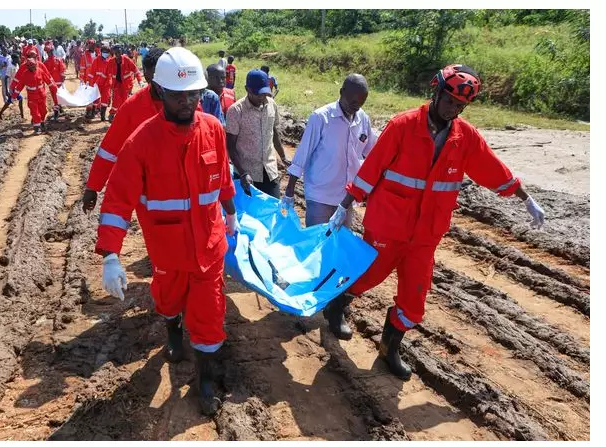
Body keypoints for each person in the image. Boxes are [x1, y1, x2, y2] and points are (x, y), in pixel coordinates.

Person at [322, 64, 547, 381]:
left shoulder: (464, 138)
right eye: (449, 101)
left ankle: (389, 349)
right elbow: (372, 167)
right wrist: (344, 204)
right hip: (389, 225)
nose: (453, 110)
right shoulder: (403, 126)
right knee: (367, 277)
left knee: (414, 300)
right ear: (437, 92)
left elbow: (492, 168)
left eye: (459, 106)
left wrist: (524, 197)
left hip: (426, 234)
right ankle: (336, 305)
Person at [96, 47, 237, 417]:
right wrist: (111, 255)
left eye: (193, 94)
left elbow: (222, 179)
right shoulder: (141, 142)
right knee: (168, 300)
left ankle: (205, 379)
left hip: (209, 245)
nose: (188, 102)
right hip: (168, 250)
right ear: (159, 92)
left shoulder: (213, 131)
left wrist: (232, 214)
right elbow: (117, 200)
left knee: (210, 315)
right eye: (179, 95)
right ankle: (173, 327)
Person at [280, 74, 377, 227]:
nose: (356, 106)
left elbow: (373, 154)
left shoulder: (363, 119)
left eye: (361, 103)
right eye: (353, 101)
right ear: (342, 92)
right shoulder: (321, 118)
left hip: (346, 199)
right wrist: (290, 190)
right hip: (320, 195)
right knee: (317, 243)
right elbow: (302, 154)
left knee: (339, 246)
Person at [82, 47, 166, 214]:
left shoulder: (186, 104)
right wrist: (93, 186)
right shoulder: (133, 108)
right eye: (155, 76)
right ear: (148, 74)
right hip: (150, 189)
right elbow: (109, 149)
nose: (161, 82)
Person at [225, 69, 291, 199]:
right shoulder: (236, 111)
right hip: (247, 175)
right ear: (247, 89)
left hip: (270, 170)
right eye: (258, 94)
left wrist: (283, 157)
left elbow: (274, 132)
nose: (262, 97)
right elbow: (231, 146)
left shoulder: (271, 104)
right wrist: (243, 174)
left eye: (264, 93)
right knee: (250, 216)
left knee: (272, 210)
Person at [10, 51, 59, 134]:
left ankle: (41, 122)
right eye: (30, 56)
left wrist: (54, 87)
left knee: (43, 111)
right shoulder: (24, 72)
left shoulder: (40, 68)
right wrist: (13, 93)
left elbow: (48, 78)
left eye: (34, 56)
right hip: (32, 96)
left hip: (41, 94)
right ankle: (37, 128)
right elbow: (19, 83)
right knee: (35, 112)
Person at [106, 44, 143, 122]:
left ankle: (123, 116)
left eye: (119, 52)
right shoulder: (111, 62)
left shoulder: (126, 60)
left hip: (126, 85)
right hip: (116, 84)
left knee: (124, 101)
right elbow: (107, 73)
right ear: (114, 53)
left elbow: (135, 70)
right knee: (116, 100)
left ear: (121, 52)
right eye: (116, 53)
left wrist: (140, 81)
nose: (118, 54)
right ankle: (112, 114)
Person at [86, 43, 113, 122]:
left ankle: (102, 116)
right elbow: (92, 72)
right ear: (101, 52)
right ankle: (93, 113)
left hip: (107, 84)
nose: (106, 53)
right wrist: (90, 82)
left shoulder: (110, 61)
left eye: (107, 52)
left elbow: (111, 73)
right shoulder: (96, 60)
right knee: (96, 98)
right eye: (104, 52)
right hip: (97, 83)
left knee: (105, 99)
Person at [0, 53, 24, 121]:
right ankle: (22, 116)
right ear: (14, 59)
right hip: (12, 87)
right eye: (17, 58)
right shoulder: (10, 67)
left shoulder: (17, 65)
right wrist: (6, 90)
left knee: (9, 101)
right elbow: (6, 78)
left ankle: (0, 114)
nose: (19, 59)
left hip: (16, 86)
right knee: (20, 99)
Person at [44, 46, 67, 121]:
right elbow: (62, 71)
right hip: (54, 83)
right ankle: (59, 109)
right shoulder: (53, 61)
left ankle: (56, 113)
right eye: (48, 52)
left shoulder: (49, 62)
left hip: (53, 83)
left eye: (48, 52)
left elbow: (62, 71)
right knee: (57, 97)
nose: (48, 53)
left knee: (56, 98)